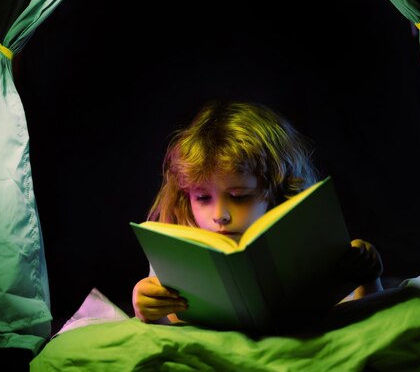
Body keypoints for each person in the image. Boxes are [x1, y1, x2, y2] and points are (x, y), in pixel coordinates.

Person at [132, 100, 384, 324]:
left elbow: (360, 320)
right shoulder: (179, 247)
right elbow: (169, 328)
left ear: (276, 190)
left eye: (238, 196)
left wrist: (368, 278)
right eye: (202, 197)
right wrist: (146, 306)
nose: (220, 215)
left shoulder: (307, 243)